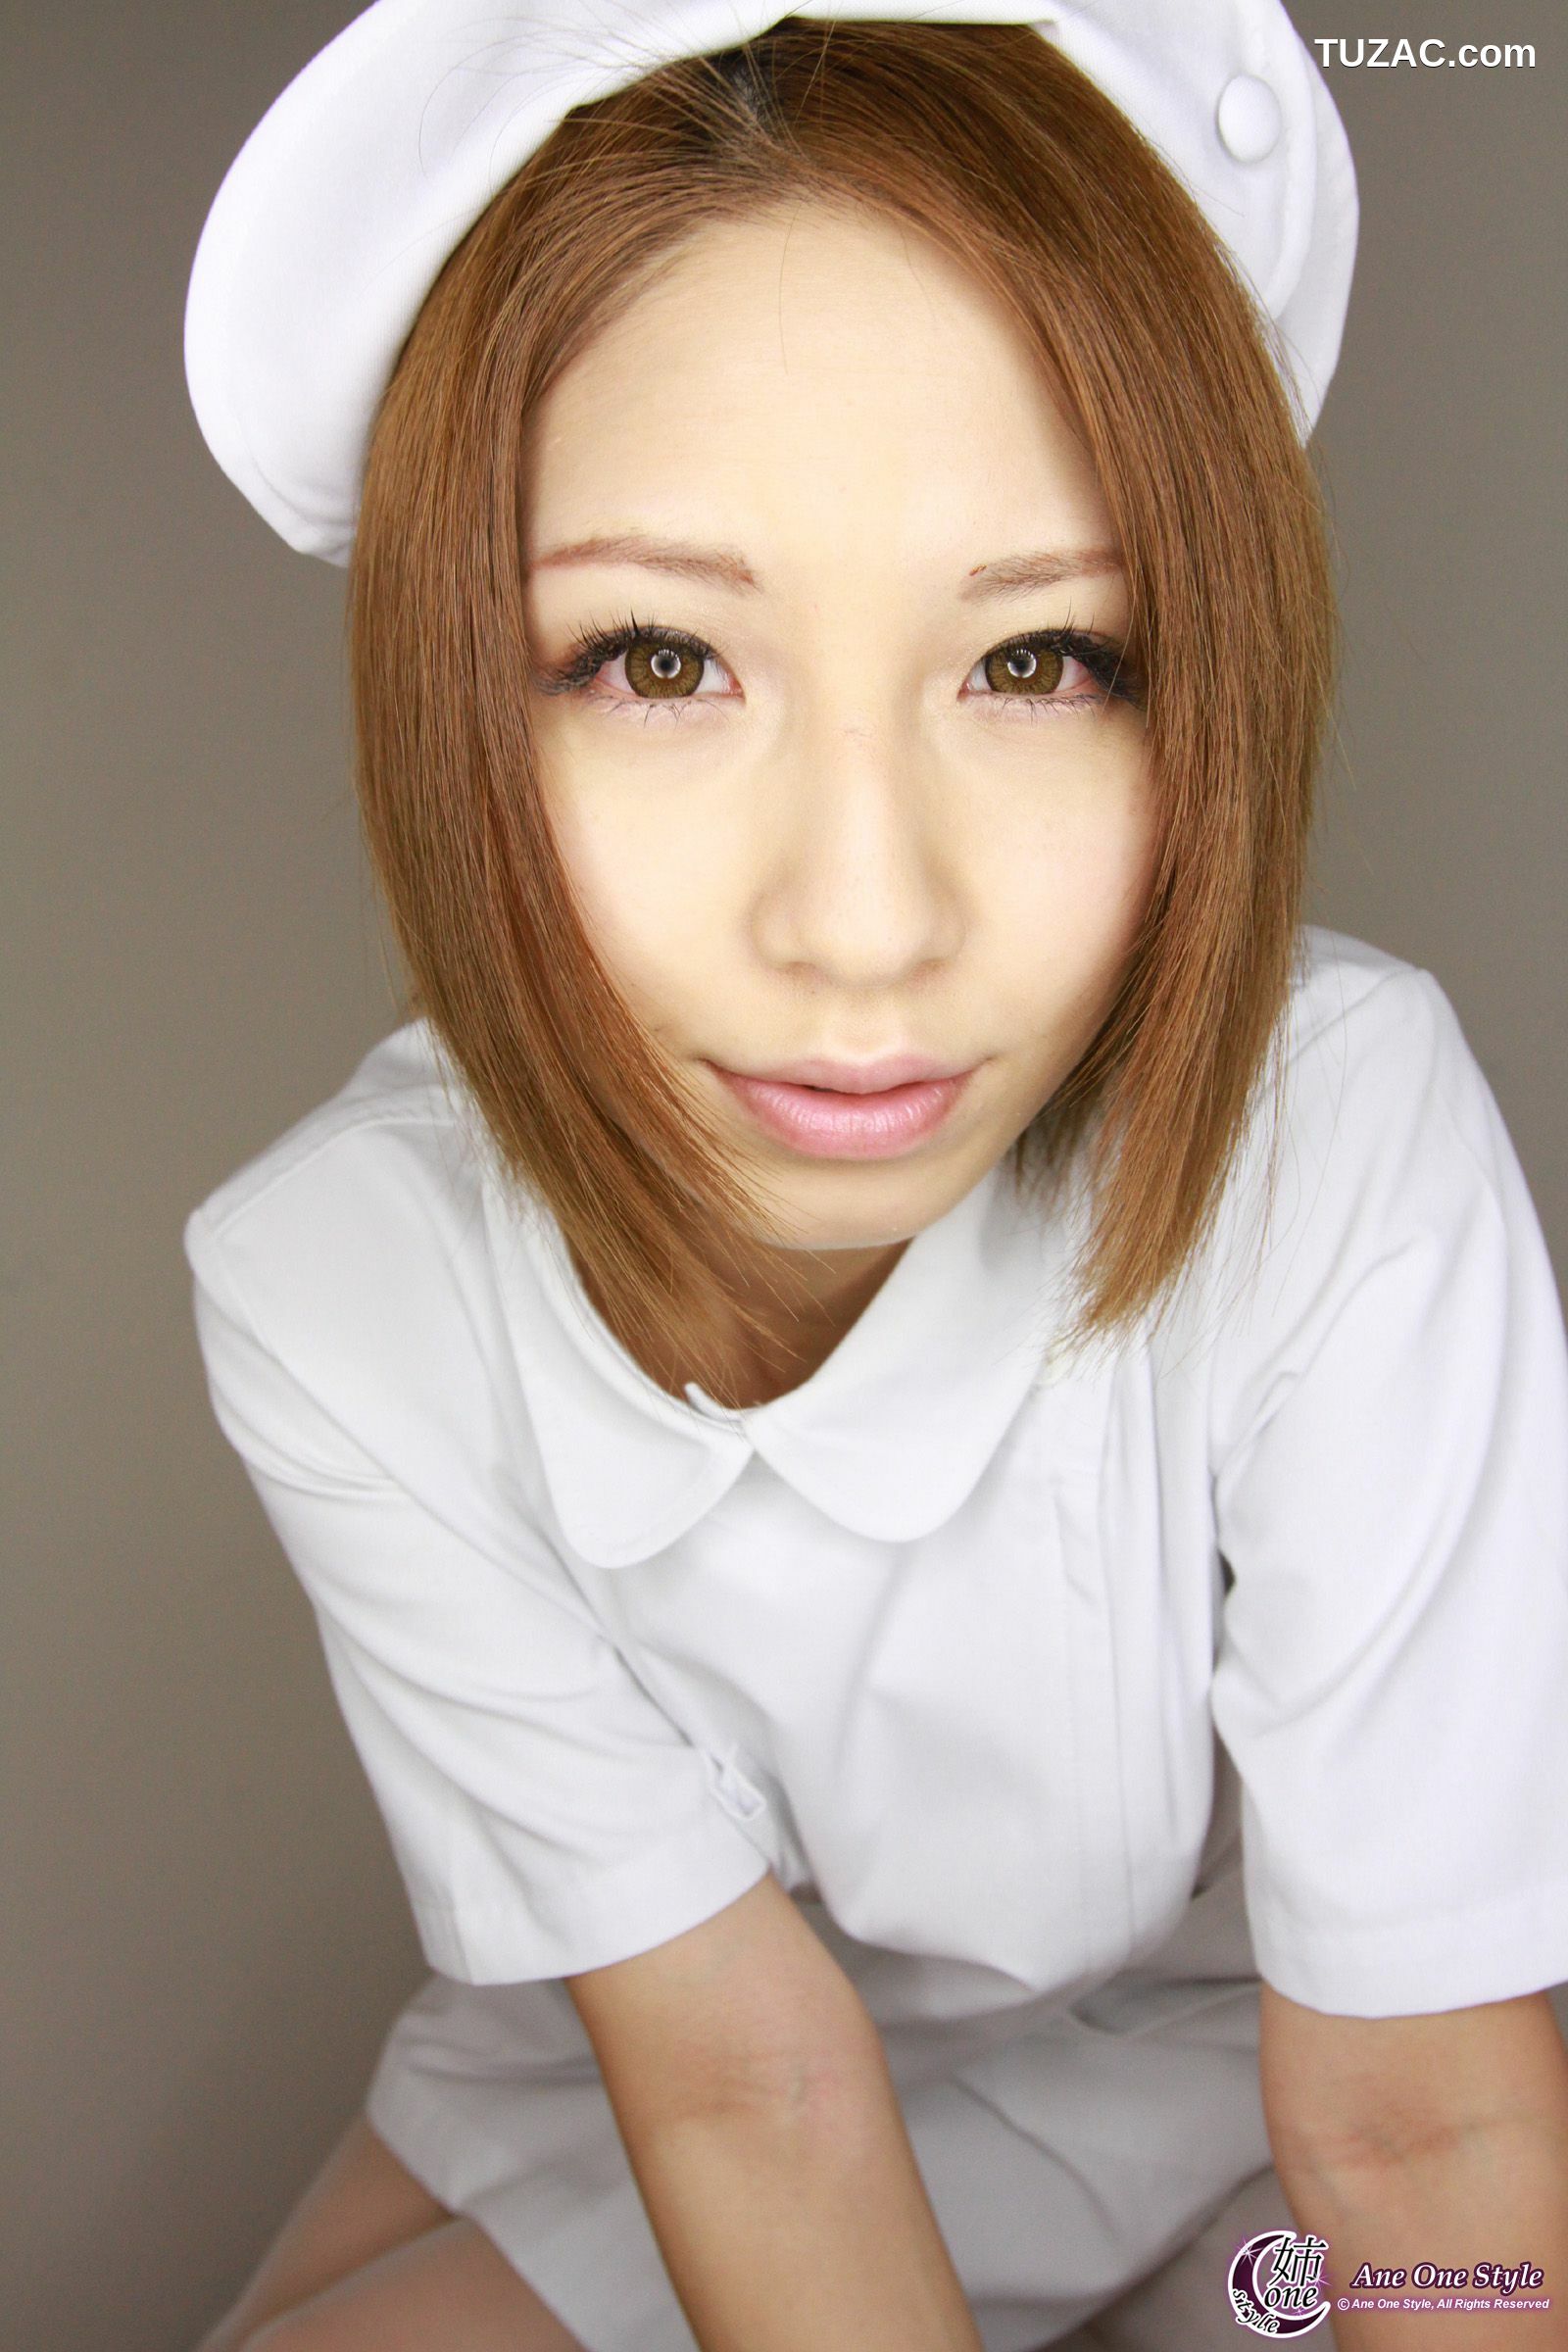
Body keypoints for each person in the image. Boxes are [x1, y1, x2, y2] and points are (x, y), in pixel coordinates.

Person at [180, 3, 1568, 2347]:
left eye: (1039, 660)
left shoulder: (1329, 1131)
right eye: (655, 658)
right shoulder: (337, 1285)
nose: (861, 923)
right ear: (454, 696)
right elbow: (745, 2085)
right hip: (647, 2049)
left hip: (1230, 2045)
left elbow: (1421, 2125)